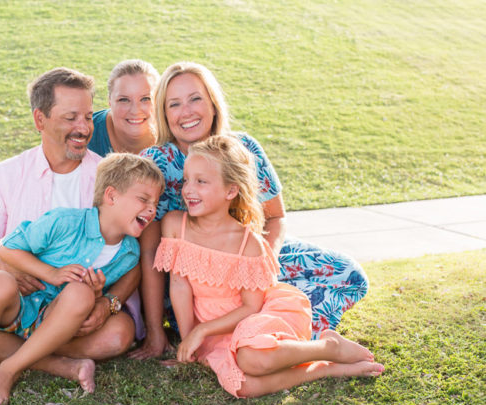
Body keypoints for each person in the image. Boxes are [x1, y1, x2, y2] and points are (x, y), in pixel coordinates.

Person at [131, 62, 369, 360]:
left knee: (349, 275)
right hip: (198, 285)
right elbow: (151, 250)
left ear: (213, 103)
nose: (186, 111)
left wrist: (262, 266)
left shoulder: (244, 148)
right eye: (174, 104)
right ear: (164, 114)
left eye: (195, 99)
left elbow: (275, 216)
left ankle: (285, 339)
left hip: (251, 256)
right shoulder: (155, 162)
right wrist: (156, 332)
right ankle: (252, 337)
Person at [0, 67, 140, 384]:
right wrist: (9, 269)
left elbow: (132, 256)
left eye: (87, 117)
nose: (84, 128)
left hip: (75, 308)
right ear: (39, 120)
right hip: (18, 303)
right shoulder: (6, 174)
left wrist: (108, 304)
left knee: (118, 335)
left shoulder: (107, 178)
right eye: (71, 117)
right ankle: (58, 364)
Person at [154, 135, 383, 397]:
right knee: (244, 386)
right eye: (187, 180)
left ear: (230, 191)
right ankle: (324, 368)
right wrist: (189, 340)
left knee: (251, 359)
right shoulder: (175, 225)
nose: (189, 189)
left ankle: (327, 347)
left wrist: (203, 330)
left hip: (252, 319)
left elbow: (251, 307)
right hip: (214, 332)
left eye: (201, 182)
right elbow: (179, 285)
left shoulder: (248, 243)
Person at [0, 154, 164, 405]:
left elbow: (113, 286)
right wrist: (50, 273)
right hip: (17, 307)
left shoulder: (129, 254)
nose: (152, 208)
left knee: (103, 315)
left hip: (55, 323)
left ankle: (3, 364)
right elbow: (7, 249)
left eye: (156, 201)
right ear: (111, 196)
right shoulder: (63, 221)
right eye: (143, 199)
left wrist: (102, 299)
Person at [87, 59, 160, 156]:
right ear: (109, 100)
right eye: (124, 100)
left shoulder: (176, 134)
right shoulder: (85, 135)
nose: (135, 111)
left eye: (145, 99)